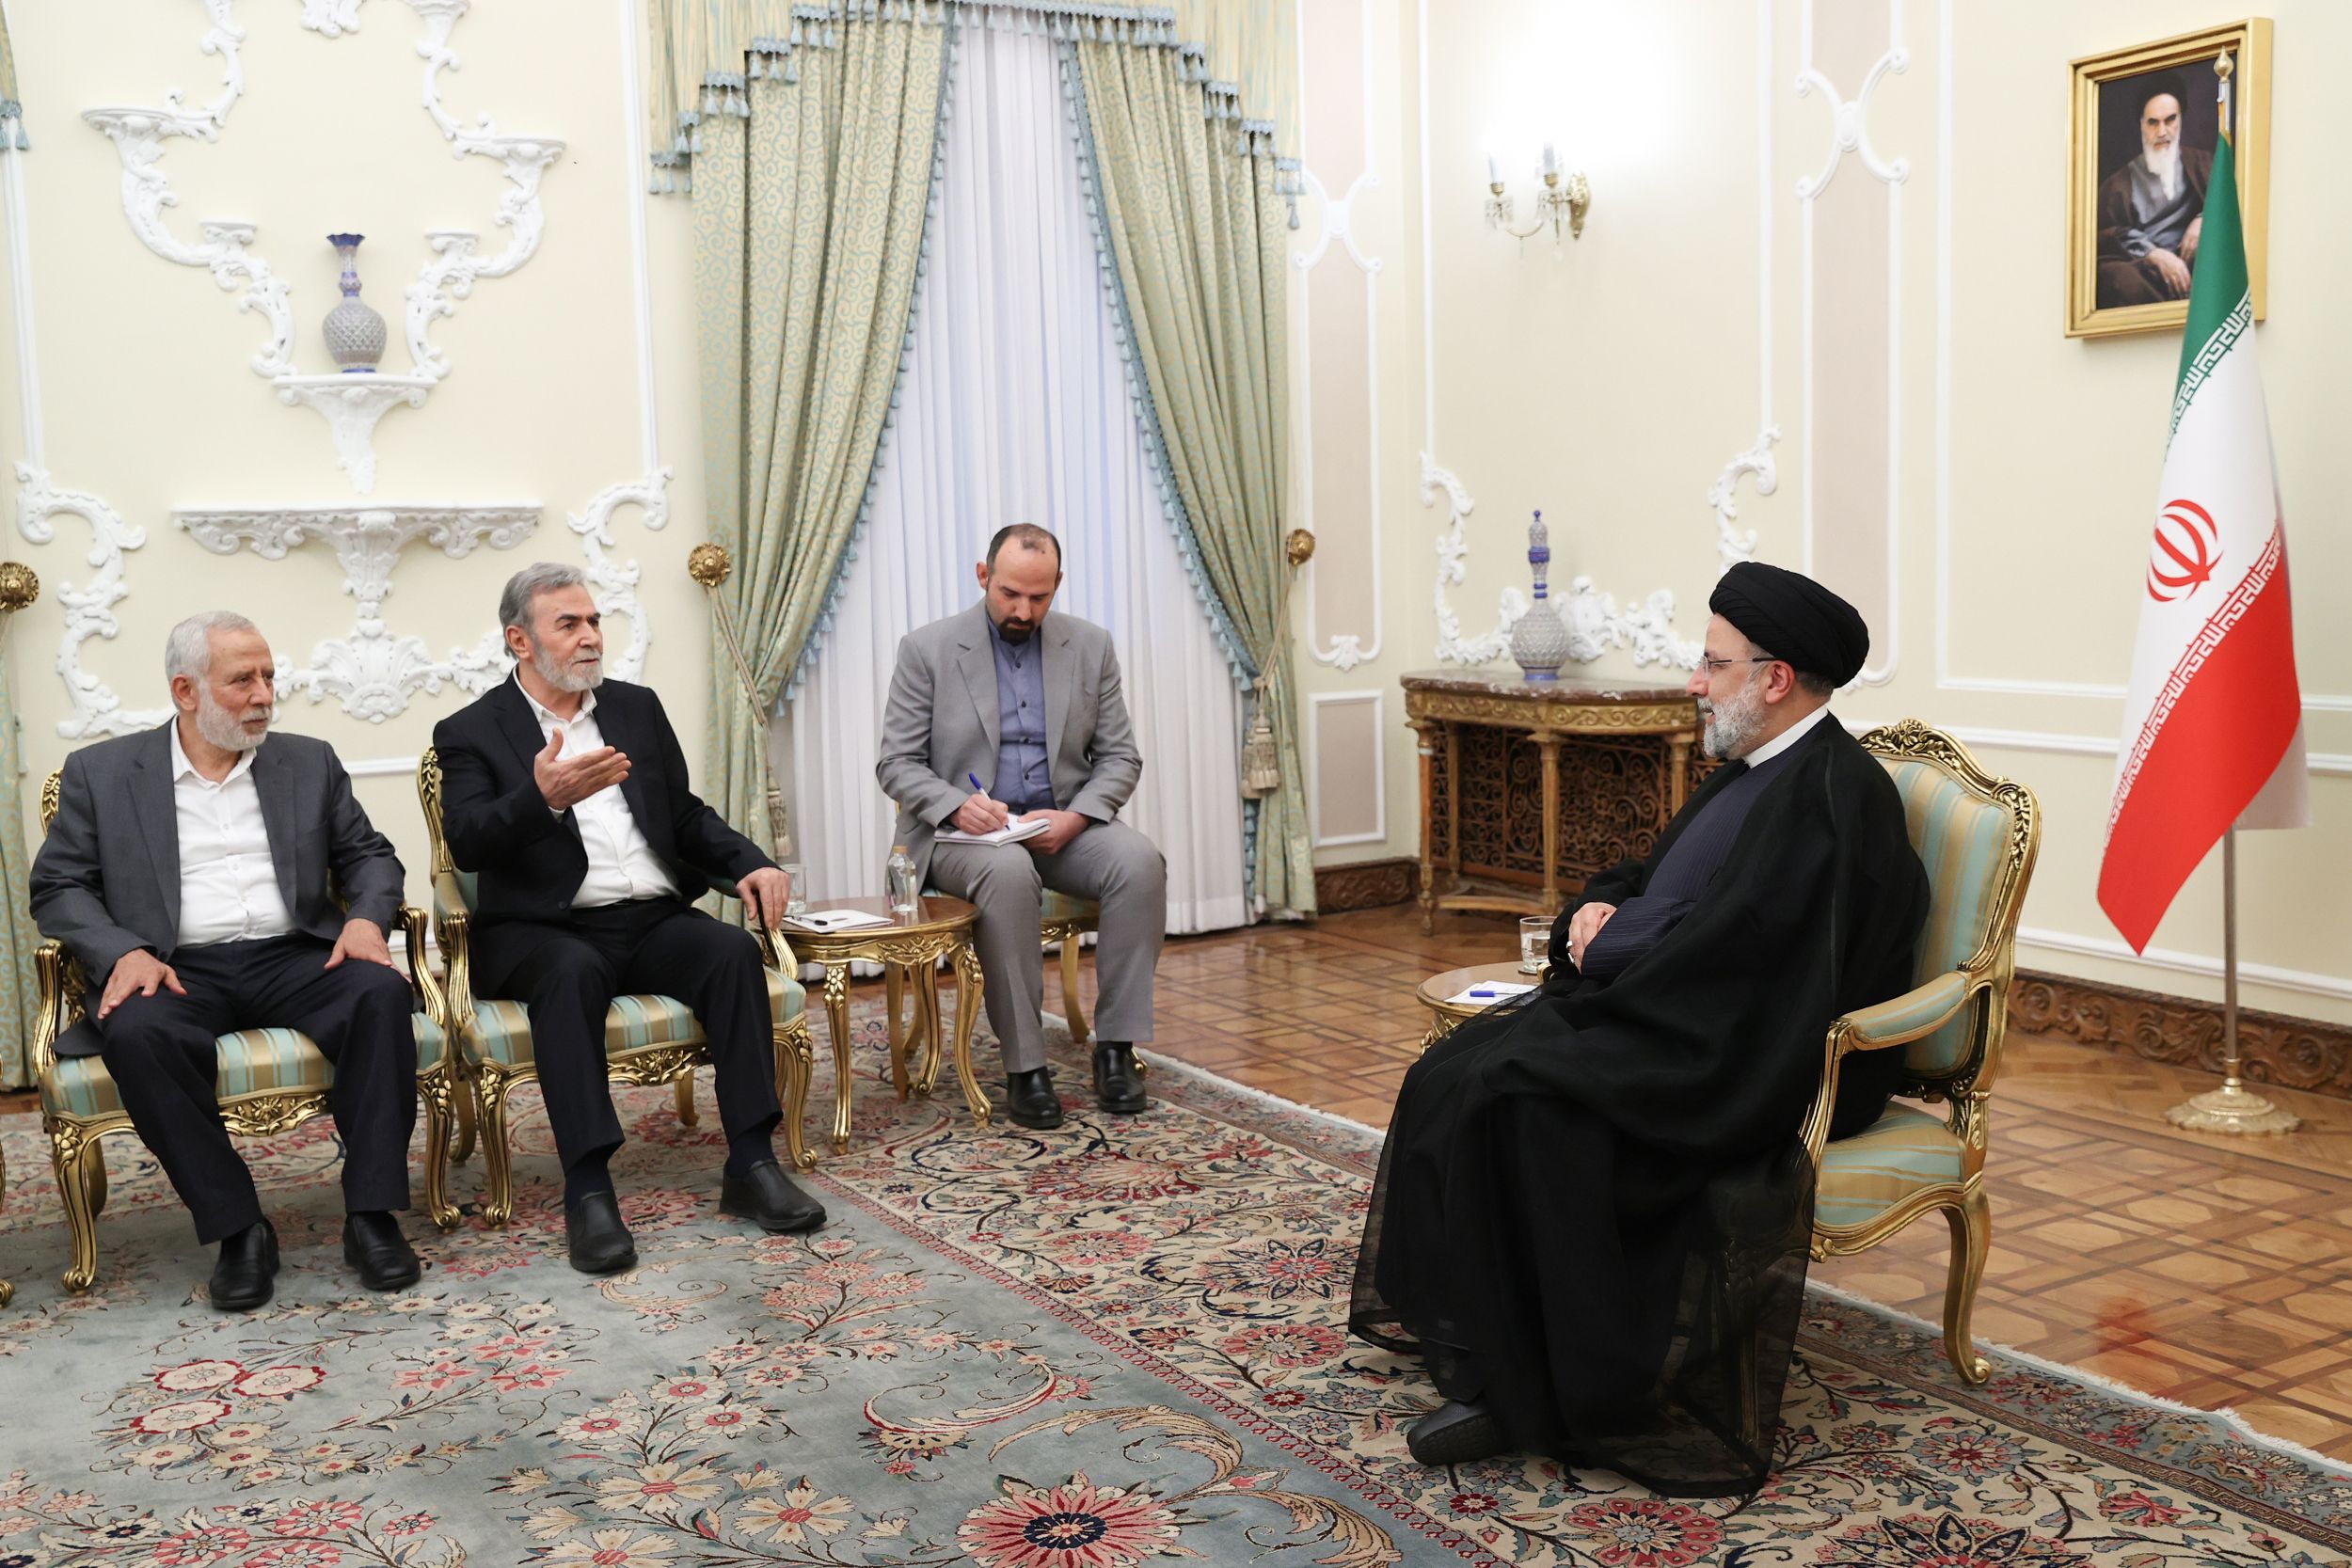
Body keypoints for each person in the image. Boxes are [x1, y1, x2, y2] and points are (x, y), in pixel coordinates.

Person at [1350, 562, 1930, 1497]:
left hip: (1738, 1054)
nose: (1696, 682)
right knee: (1452, 1069)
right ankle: (1475, 1330)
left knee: (1525, 1103)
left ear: (1773, 678)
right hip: (1678, 1013)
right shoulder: (1750, 768)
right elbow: (1654, 876)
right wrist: (1596, 910)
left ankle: (1548, 1390)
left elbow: (1746, 953)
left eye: (1712, 663)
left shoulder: (1830, 796)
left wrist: (1607, 955)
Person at [431, 563, 822, 1274]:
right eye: (569, 624)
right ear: (520, 640)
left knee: (731, 951)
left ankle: (752, 1163)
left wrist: (748, 862)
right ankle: (588, 1189)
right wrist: (542, 797)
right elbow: (468, 839)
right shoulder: (470, 730)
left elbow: (682, 815)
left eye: (594, 621)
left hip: (646, 916)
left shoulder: (635, 707)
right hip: (541, 930)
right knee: (572, 972)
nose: (590, 637)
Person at [30, 612, 422, 1310]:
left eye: (269, 676)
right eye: (243, 679)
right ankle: (239, 1228)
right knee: (139, 1032)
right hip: (177, 963)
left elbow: (369, 854)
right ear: (186, 690)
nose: (264, 694)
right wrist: (123, 951)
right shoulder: (105, 773)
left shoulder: (308, 760)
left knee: (380, 994)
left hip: (293, 954)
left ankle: (372, 1216)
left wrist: (364, 918)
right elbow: (58, 886)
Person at [876, 524, 1167, 1131]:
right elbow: (895, 764)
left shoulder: (1090, 646)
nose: (1022, 610)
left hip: (1058, 824)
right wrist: (956, 804)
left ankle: (1116, 1048)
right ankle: (1025, 1067)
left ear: (1057, 584)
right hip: (961, 838)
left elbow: (1121, 757)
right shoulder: (927, 649)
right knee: (1008, 872)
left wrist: (1080, 816)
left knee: (1140, 863)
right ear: (983, 576)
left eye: (1038, 598)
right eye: (1010, 594)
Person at [2096, 74, 2213, 308]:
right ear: (2142, 125)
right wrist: (2154, 255)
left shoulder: (2203, 163)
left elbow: (2232, 205)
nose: (2162, 132)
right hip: (2144, 270)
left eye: (2170, 120)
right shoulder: (2117, 184)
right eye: (2153, 122)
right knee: (2116, 277)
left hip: (2196, 263)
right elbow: (2106, 235)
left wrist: (2204, 219)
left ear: (2181, 120)